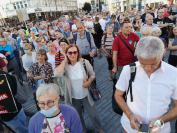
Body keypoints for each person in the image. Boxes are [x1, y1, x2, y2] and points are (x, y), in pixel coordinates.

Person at [115, 36, 177, 133]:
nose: (148, 69)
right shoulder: (128, 70)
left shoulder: (174, 73)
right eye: (143, 64)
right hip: (131, 128)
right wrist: (130, 115)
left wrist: (160, 121)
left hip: (160, 130)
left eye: (153, 64)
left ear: (163, 53)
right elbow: (118, 95)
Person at [54, 45, 104, 133]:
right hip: (73, 97)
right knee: (77, 116)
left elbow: (92, 74)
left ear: (78, 53)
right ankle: (82, 130)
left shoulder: (85, 62)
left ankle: (99, 129)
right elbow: (57, 74)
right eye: (70, 53)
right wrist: (65, 60)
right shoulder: (65, 66)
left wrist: (89, 81)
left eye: (75, 52)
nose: (73, 55)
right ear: (66, 54)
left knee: (93, 115)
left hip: (86, 95)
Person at [0, 67, 28, 133]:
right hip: (17, 110)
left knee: (22, 129)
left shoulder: (6, 76)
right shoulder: (6, 76)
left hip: (7, 117)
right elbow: (21, 96)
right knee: (27, 126)